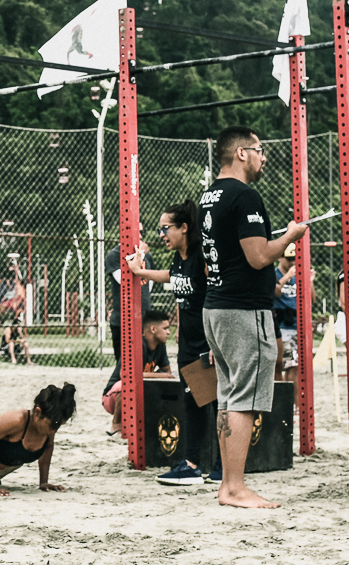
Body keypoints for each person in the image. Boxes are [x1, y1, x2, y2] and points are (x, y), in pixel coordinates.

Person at [199, 126, 307, 509]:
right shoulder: (245, 195)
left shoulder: (208, 196)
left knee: (229, 398)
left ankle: (228, 485)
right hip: (244, 310)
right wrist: (292, 236)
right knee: (242, 400)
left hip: (216, 308)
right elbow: (260, 257)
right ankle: (235, 487)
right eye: (260, 151)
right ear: (242, 153)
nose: (264, 157)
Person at [127, 200, 222, 485]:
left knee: (217, 404)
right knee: (192, 402)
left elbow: (219, 295)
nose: (161, 235)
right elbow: (173, 277)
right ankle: (191, 465)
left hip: (208, 344)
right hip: (188, 344)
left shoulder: (203, 256)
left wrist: (217, 343)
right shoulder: (180, 258)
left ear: (184, 227)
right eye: (160, 230)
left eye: (165, 228)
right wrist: (139, 272)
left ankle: (221, 468)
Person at [101, 310, 172, 437]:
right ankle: (116, 424)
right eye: (165, 328)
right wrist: (160, 375)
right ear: (153, 329)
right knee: (128, 384)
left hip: (140, 392)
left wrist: (162, 375)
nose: (168, 332)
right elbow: (126, 375)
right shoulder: (136, 345)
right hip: (112, 397)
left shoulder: (160, 346)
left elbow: (167, 372)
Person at [105, 227, 154, 361]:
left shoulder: (148, 255)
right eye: (135, 231)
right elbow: (125, 281)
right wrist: (140, 255)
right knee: (123, 363)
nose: (139, 235)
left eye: (141, 232)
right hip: (122, 318)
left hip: (144, 316)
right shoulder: (115, 255)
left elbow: (148, 283)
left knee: (145, 361)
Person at [272, 244, 298, 383]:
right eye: (289, 259)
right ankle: (285, 402)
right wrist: (287, 276)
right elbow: (275, 292)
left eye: (295, 258)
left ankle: (296, 404)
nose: (293, 262)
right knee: (281, 365)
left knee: (295, 367)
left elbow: (312, 299)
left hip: (296, 325)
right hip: (282, 326)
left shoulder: (297, 276)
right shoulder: (275, 274)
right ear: (280, 258)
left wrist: (309, 281)